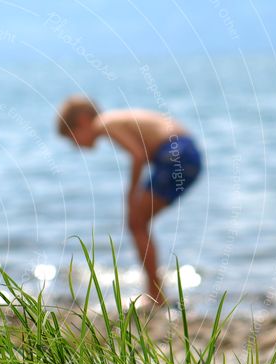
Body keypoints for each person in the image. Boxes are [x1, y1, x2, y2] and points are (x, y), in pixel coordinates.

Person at [56, 96, 202, 305]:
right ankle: (156, 292)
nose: (76, 146)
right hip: (186, 153)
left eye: (73, 139)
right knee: (139, 223)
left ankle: (155, 295)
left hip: (175, 153)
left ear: (82, 122)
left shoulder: (104, 123)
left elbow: (138, 155)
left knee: (136, 222)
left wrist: (131, 193)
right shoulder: (115, 119)